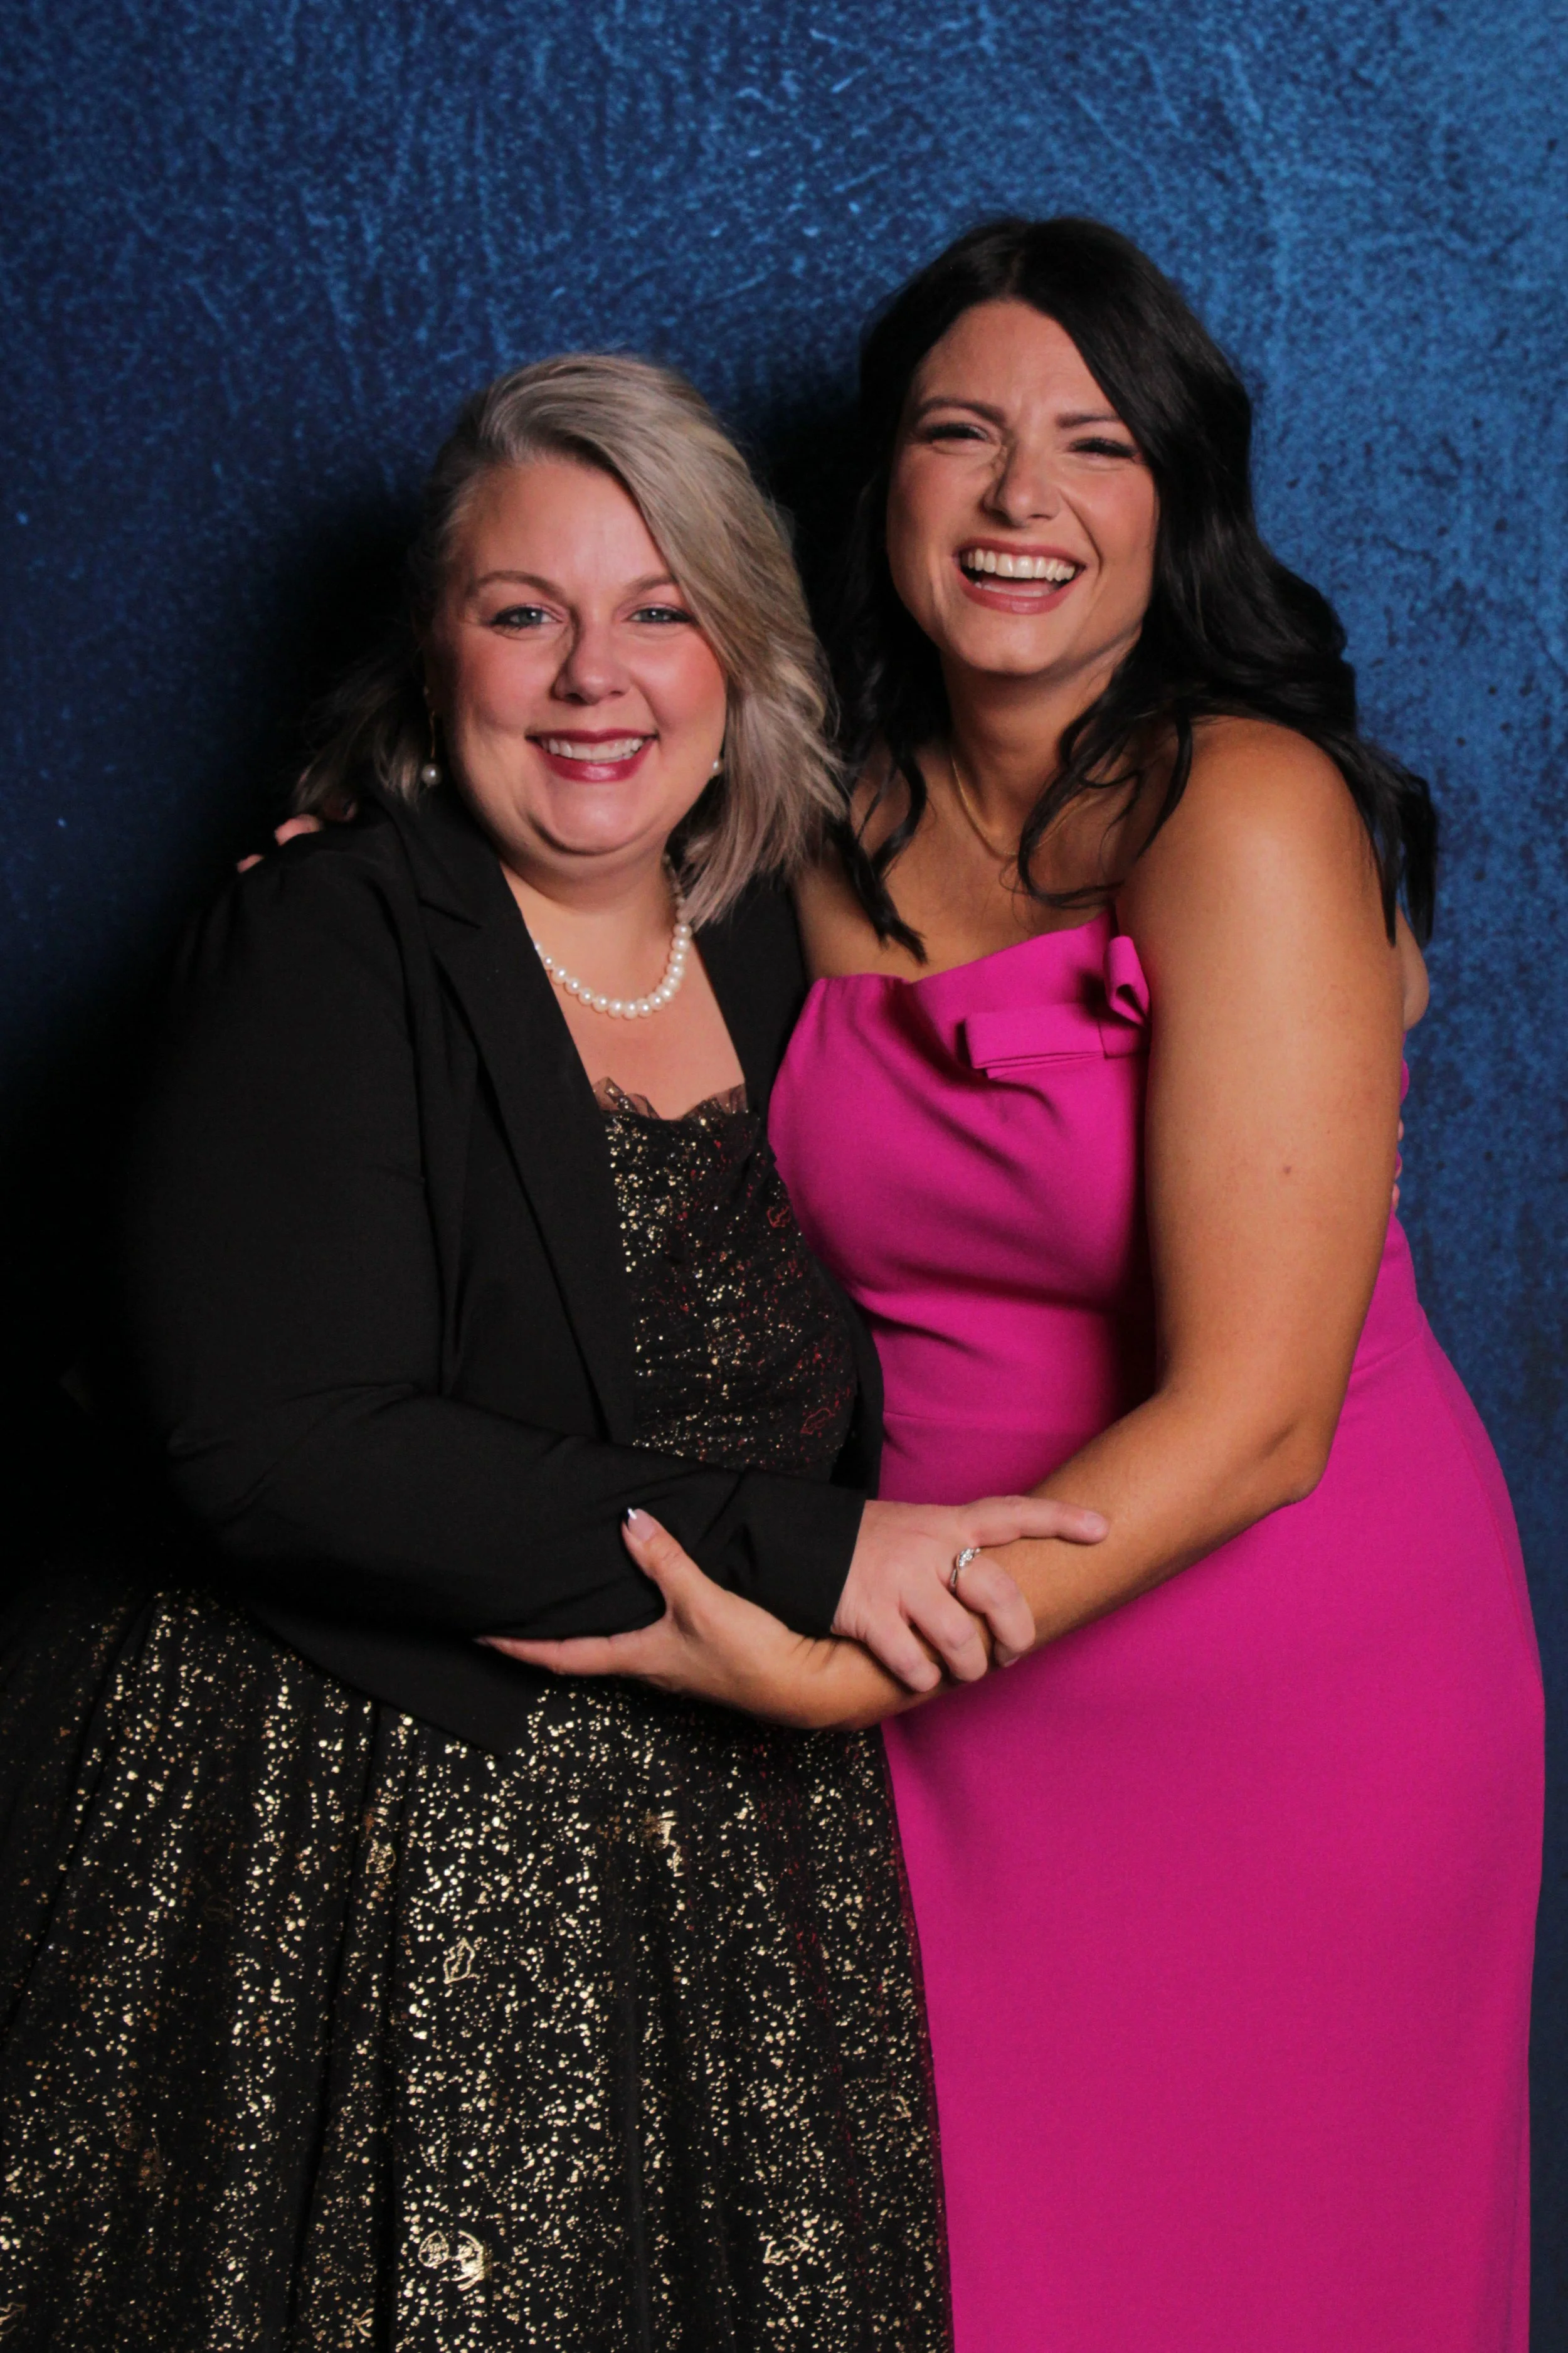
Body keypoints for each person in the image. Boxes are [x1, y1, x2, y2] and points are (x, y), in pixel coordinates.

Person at [0, 351, 1106, 2350]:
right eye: (526, 614)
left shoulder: (777, 931)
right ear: (439, 658)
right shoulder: (327, 930)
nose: (596, 676)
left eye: (657, 609)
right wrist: (808, 1546)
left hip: (726, 1857)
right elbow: (272, 1442)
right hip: (367, 1848)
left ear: (737, 653)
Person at [512, 225, 1545, 2351]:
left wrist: (849, 1673)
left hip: (1270, 1684)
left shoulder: (1242, 806)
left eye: (1091, 442)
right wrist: (357, 859)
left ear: (1172, 507)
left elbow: (1262, 1412)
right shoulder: (801, 819)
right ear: (876, 481)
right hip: (938, 1679)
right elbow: (559, 934)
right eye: (959, 434)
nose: (1017, 499)